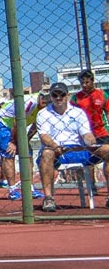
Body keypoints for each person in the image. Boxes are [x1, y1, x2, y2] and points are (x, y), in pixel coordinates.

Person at [36, 81, 109, 211]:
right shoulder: (43, 114)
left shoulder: (78, 112)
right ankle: (48, 198)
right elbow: (44, 136)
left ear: (67, 95)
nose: (58, 98)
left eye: (62, 94)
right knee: (47, 153)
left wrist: (90, 140)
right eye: (55, 95)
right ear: (51, 96)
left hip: (78, 149)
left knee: (107, 150)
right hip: (57, 150)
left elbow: (86, 133)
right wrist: (55, 145)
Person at [0, 93, 46, 200]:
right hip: (2, 124)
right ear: (41, 100)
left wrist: (27, 139)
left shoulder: (46, 110)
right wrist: (12, 142)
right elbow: (16, 121)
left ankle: (30, 188)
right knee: (9, 153)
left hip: (17, 126)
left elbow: (36, 126)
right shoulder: (30, 102)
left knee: (27, 152)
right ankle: (12, 190)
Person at [71, 69, 109, 185]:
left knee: (107, 157)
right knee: (89, 160)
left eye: (87, 82)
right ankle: (91, 185)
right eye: (82, 83)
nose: (84, 85)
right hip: (85, 134)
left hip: (102, 132)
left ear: (92, 81)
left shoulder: (102, 95)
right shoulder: (76, 98)